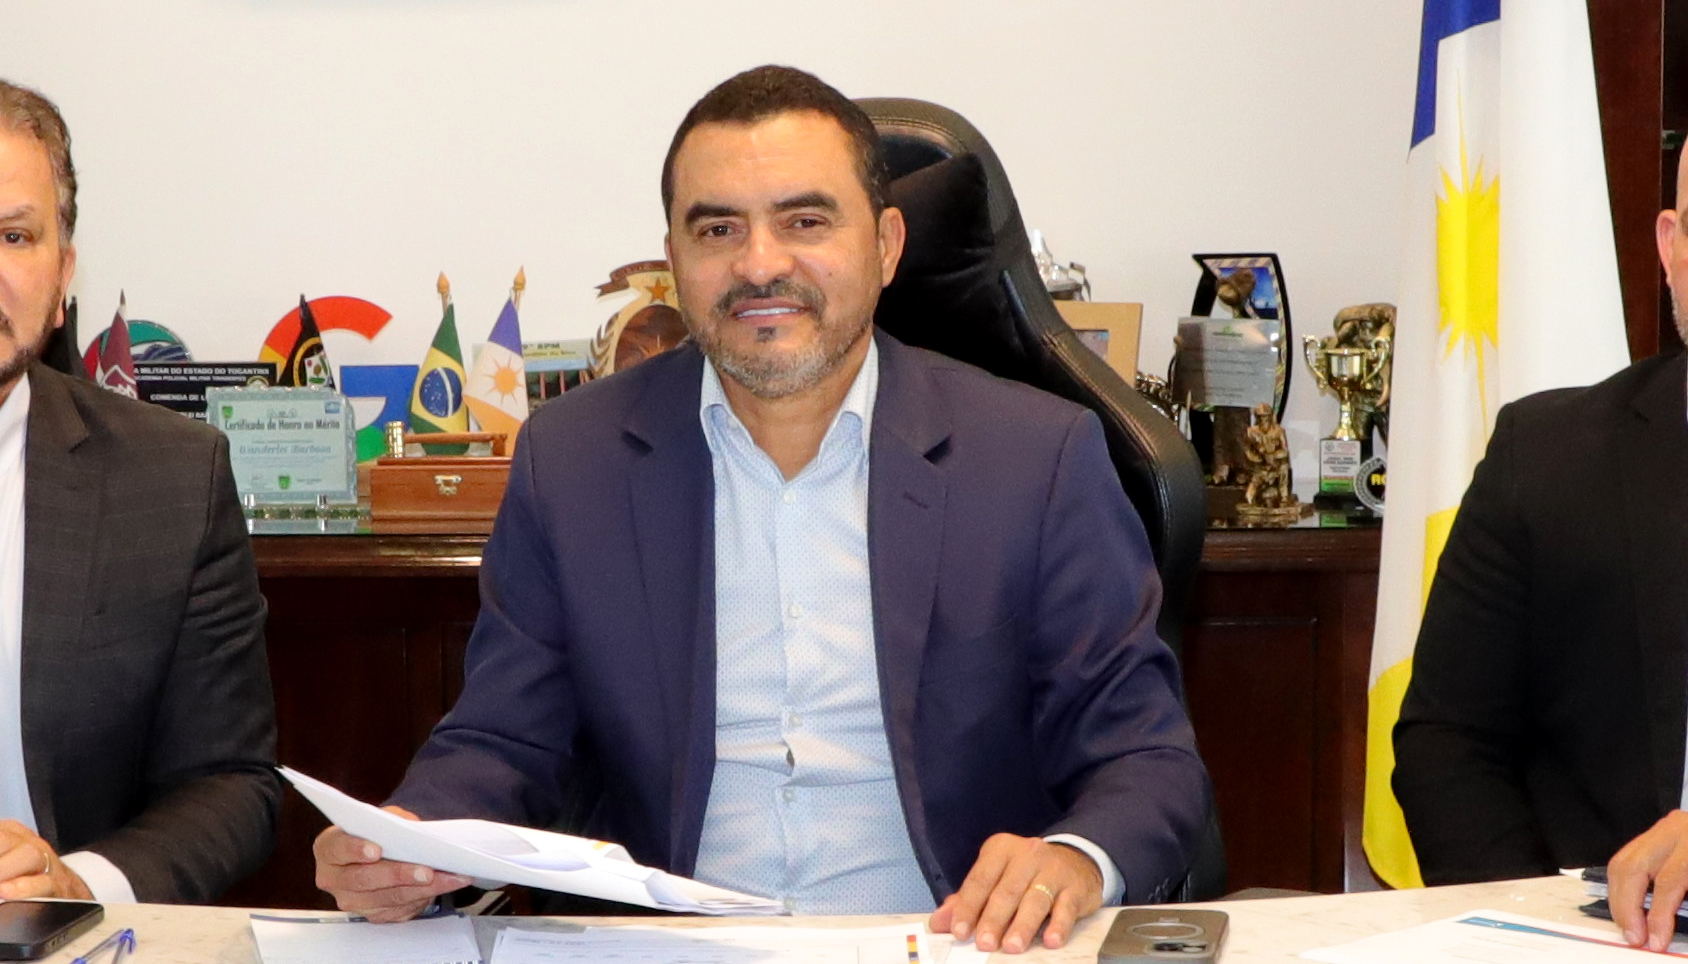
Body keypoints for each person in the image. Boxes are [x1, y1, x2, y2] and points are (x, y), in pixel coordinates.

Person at [314, 65, 1208, 954]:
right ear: (674, 260)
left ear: (886, 245)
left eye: (805, 221)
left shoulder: (1033, 456)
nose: (759, 264)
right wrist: (405, 844)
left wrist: (1074, 859)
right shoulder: (576, 461)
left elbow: (1146, 758)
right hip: (672, 949)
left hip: (942, 941)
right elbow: (505, 739)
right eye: (718, 229)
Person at [1393, 145, 1688, 952]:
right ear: (1670, 247)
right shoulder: (1546, 456)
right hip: (1593, 936)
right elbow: (1448, 744)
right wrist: (1527, 931)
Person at [0, 80, 280, 904]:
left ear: (63, 276)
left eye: (14, 236)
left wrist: (77, 885)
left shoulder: (172, 479)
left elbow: (232, 784)